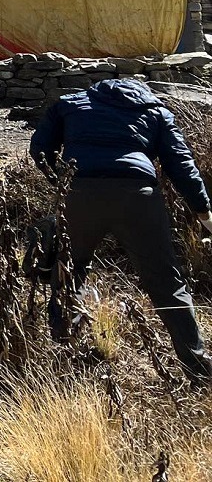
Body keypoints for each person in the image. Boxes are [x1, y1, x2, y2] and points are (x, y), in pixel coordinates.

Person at [31, 77, 212, 384]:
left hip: (79, 191)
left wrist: (62, 183)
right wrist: (203, 210)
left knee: (68, 270)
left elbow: (39, 149)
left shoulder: (71, 104)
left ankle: (61, 356)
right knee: (167, 283)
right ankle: (199, 371)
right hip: (138, 197)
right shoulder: (155, 111)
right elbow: (181, 164)